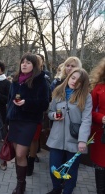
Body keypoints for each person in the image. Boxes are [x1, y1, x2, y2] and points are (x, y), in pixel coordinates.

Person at [6, 53, 49, 194]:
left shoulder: (40, 81)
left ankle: (21, 183)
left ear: (34, 65)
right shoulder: (15, 79)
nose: (24, 64)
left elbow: (44, 103)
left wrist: (27, 103)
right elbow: (9, 99)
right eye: (23, 62)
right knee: (17, 154)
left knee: (20, 154)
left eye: (28, 62)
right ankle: (20, 185)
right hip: (15, 120)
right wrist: (9, 115)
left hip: (29, 121)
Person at [46, 68, 92, 194]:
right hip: (56, 138)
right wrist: (54, 115)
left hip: (75, 139)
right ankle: (56, 188)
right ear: (68, 77)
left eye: (79, 81)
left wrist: (82, 140)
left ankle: (67, 191)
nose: (74, 82)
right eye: (73, 78)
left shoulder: (86, 97)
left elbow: (86, 120)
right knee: (54, 167)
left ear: (83, 84)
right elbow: (50, 112)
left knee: (71, 171)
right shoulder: (58, 91)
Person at [89, 58, 105, 194]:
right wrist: (102, 118)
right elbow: (90, 111)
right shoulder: (98, 88)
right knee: (101, 166)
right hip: (101, 133)